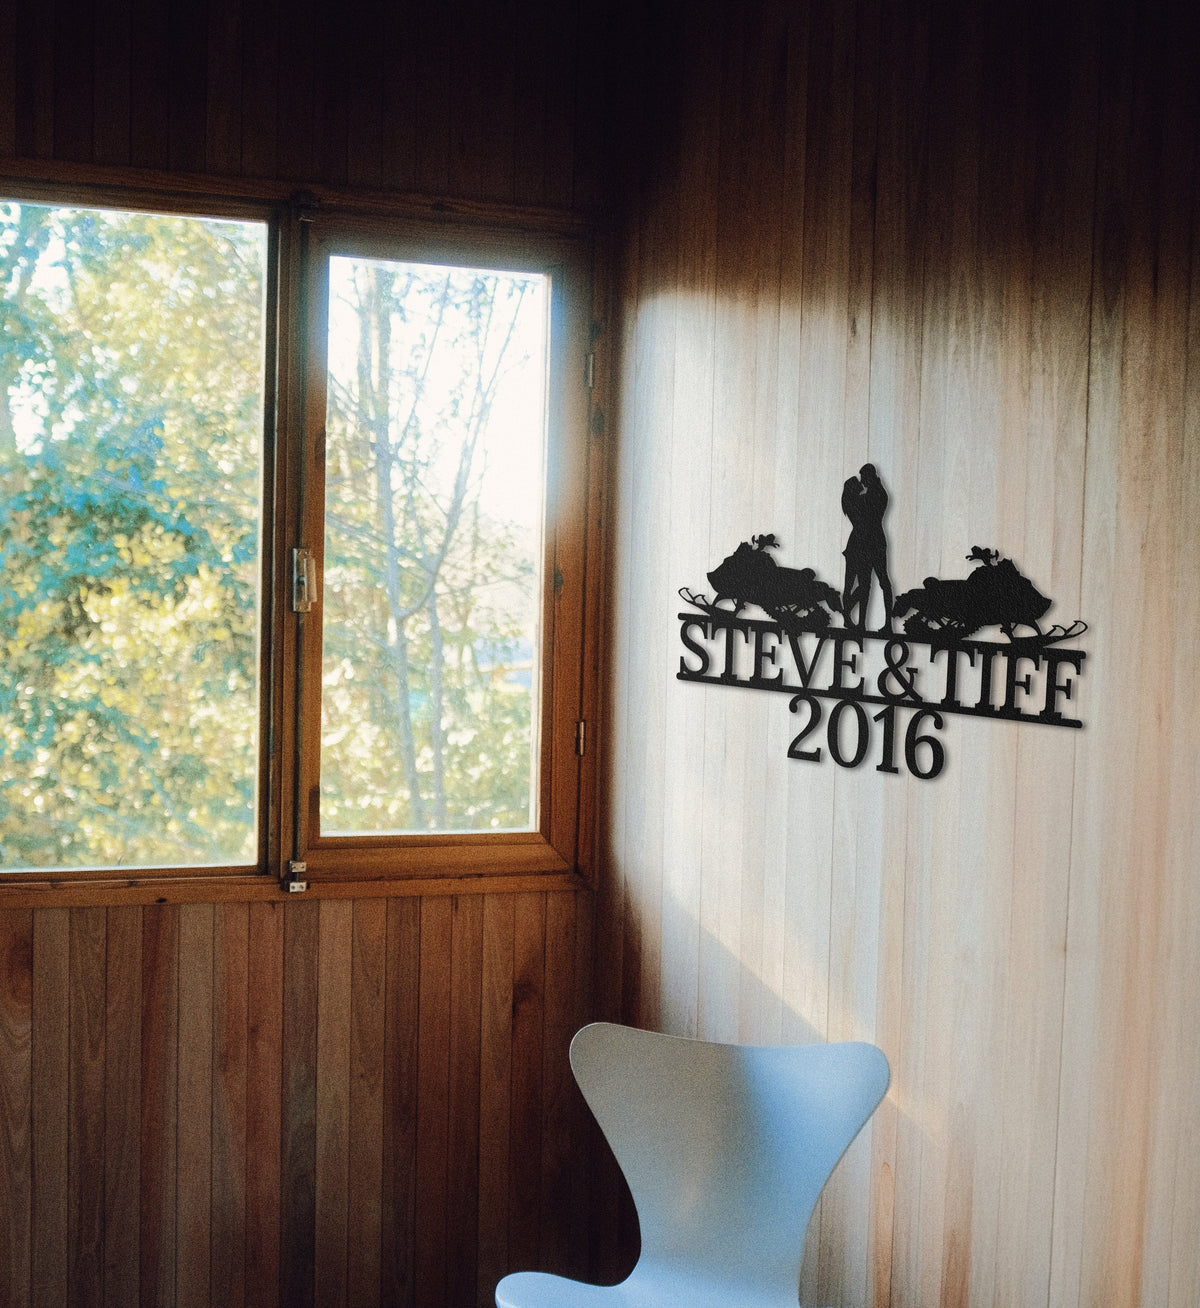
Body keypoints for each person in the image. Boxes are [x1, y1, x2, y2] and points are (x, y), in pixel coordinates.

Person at [841, 463, 893, 631]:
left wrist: (851, 495)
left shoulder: (875, 494)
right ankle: (862, 622)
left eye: (863, 477)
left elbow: (864, 516)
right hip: (869, 544)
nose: (862, 481)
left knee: (878, 582)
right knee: (867, 584)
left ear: (869, 476)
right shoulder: (873, 493)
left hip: (872, 544)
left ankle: (885, 623)